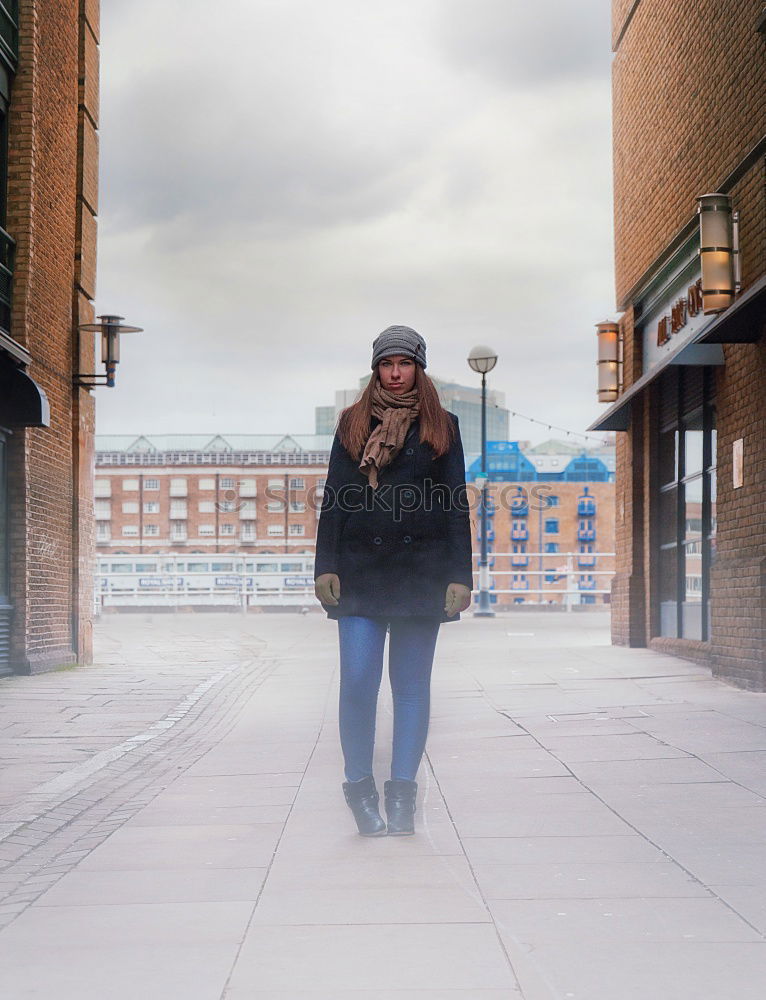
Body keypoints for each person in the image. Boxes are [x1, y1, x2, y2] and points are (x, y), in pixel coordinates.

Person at [314, 325, 474, 836]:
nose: (396, 373)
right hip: (360, 569)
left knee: (410, 689)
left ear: (418, 369)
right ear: (376, 369)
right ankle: (359, 789)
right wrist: (325, 565)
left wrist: (459, 575)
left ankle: (402, 792)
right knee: (358, 683)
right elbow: (336, 496)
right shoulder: (352, 422)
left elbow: (455, 503)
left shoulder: (442, 425)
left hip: (421, 572)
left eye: (405, 363)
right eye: (387, 364)